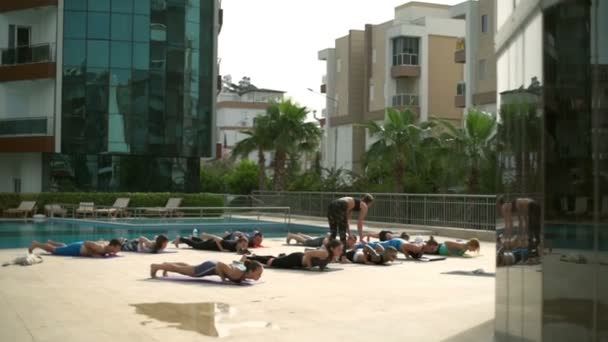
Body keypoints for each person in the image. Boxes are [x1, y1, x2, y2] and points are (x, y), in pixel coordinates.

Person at [242, 240, 343, 270]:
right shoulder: (324, 253)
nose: (340, 251)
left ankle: (254, 256)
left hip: (297, 261)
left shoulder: (331, 256)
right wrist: (309, 267)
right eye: (339, 249)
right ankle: (249, 258)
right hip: (296, 259)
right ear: (332, 248)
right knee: (273, 262)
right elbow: (307, 254)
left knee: (276, 260)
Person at [150, 259, 263, 283]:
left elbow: (235, 262)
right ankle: (156, 266)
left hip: (211, 265)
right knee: (187, 271)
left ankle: (166, 264)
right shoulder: (238, 273)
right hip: (210, 266)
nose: (260, 276)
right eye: (258, 273)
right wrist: (223, 280)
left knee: (188, 267)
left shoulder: (244, 269)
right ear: (252, 271)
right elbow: (220, 264)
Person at [28, 239, 123, 257]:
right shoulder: (100, 248)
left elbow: (102, 239)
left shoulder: (107, 246)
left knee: (65, 246)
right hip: (77, 249)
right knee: (54, 251)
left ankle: (52, 242)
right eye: (118, 248)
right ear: (113, 246)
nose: (118, 251)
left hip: (78, 247)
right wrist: (93, 253)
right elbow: (87, 242)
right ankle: (37, 244)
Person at [355, 238, 424, 259]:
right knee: (375, 245)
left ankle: (360, 244)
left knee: (379, 243)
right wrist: (407, 256)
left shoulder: (412, 250)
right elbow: (403, 246)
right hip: (395, 243)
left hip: (397, 242)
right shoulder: (412, 249)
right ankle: (358, 246)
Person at [174, 235, 249, 254]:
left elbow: (241, 251)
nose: (244, 246)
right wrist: (222, 249)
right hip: (211, 243)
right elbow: (217, 239)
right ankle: (180, 238)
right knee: (197, 246)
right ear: (239, 243)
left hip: (212, 245)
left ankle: (192, 238)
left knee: (200, 243)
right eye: (243, 244)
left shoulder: (237, 247)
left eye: (245, 245)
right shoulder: (230, 244)